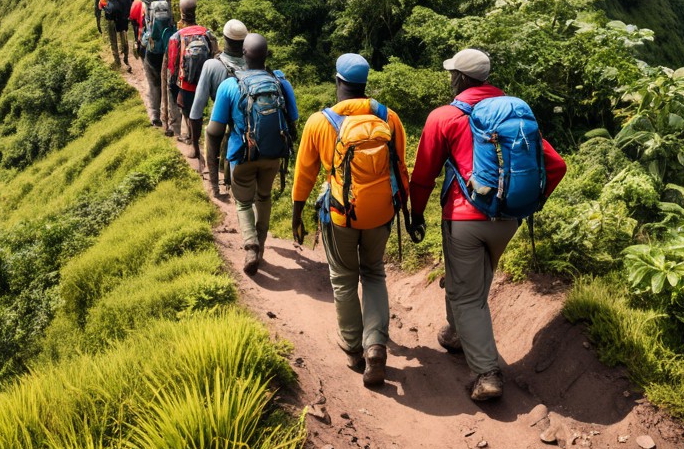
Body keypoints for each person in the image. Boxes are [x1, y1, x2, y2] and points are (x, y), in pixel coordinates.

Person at [409, 48, 568, 402]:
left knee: (468, 296)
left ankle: (487, 373)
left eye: (453, 74)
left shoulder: (444, 117)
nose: (451, 79)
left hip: (465, 218)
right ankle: (455, 334)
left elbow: (422, 177)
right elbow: (555, 165)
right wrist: (530, 203)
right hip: (509, 218)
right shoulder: (513, 113)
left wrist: (415, 213)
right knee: (472, 282)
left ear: (461, 79)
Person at [290, 54, 409, 388]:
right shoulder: (389, 118)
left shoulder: (319, 122)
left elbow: (304, 173)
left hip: (340, 215)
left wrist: (298, 215)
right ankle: (376, 346)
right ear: (364, 83)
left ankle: (354, 349)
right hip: (381, 213)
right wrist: (405, 211)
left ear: (338, 81)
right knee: (373, 273)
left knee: (343, 278)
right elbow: (401, 169)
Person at [206, 33, 298, 275]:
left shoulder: (230, 85)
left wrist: (214, 164)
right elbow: (294, 119)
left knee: (244, 202)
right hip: (273, 157)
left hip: (243, 156)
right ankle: (262, 244)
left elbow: (214, 130)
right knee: (264, 197)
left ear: (243, 54)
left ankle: (250, 246)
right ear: (266, 55)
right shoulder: (280, 82)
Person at [190, 19, 249, 195]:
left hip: (221, 115)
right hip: (244, 118)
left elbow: (196, 110)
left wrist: (194, 144)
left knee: (211, 134)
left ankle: (215, 186)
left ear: (225, 39)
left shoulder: (212, 65)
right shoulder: (250, 64)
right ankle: (233, 182)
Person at [166, 0, 219, 149]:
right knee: (199, 113)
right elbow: (215, 57)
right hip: (205, 84)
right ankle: (196, 139)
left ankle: (191, 140)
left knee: (187, 110)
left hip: (186, 85)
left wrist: (173, 86)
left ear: (181, 13)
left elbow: (172, 67)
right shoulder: (208, 34)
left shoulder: (176, 36)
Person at [136, 0, 174, 128]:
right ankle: (171, 118)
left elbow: (138, 22)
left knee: (153, 82)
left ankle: (155, 115)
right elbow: (172, 21)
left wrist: (139, 44)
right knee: (167, 80)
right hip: (167, 46)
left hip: (150, 45)